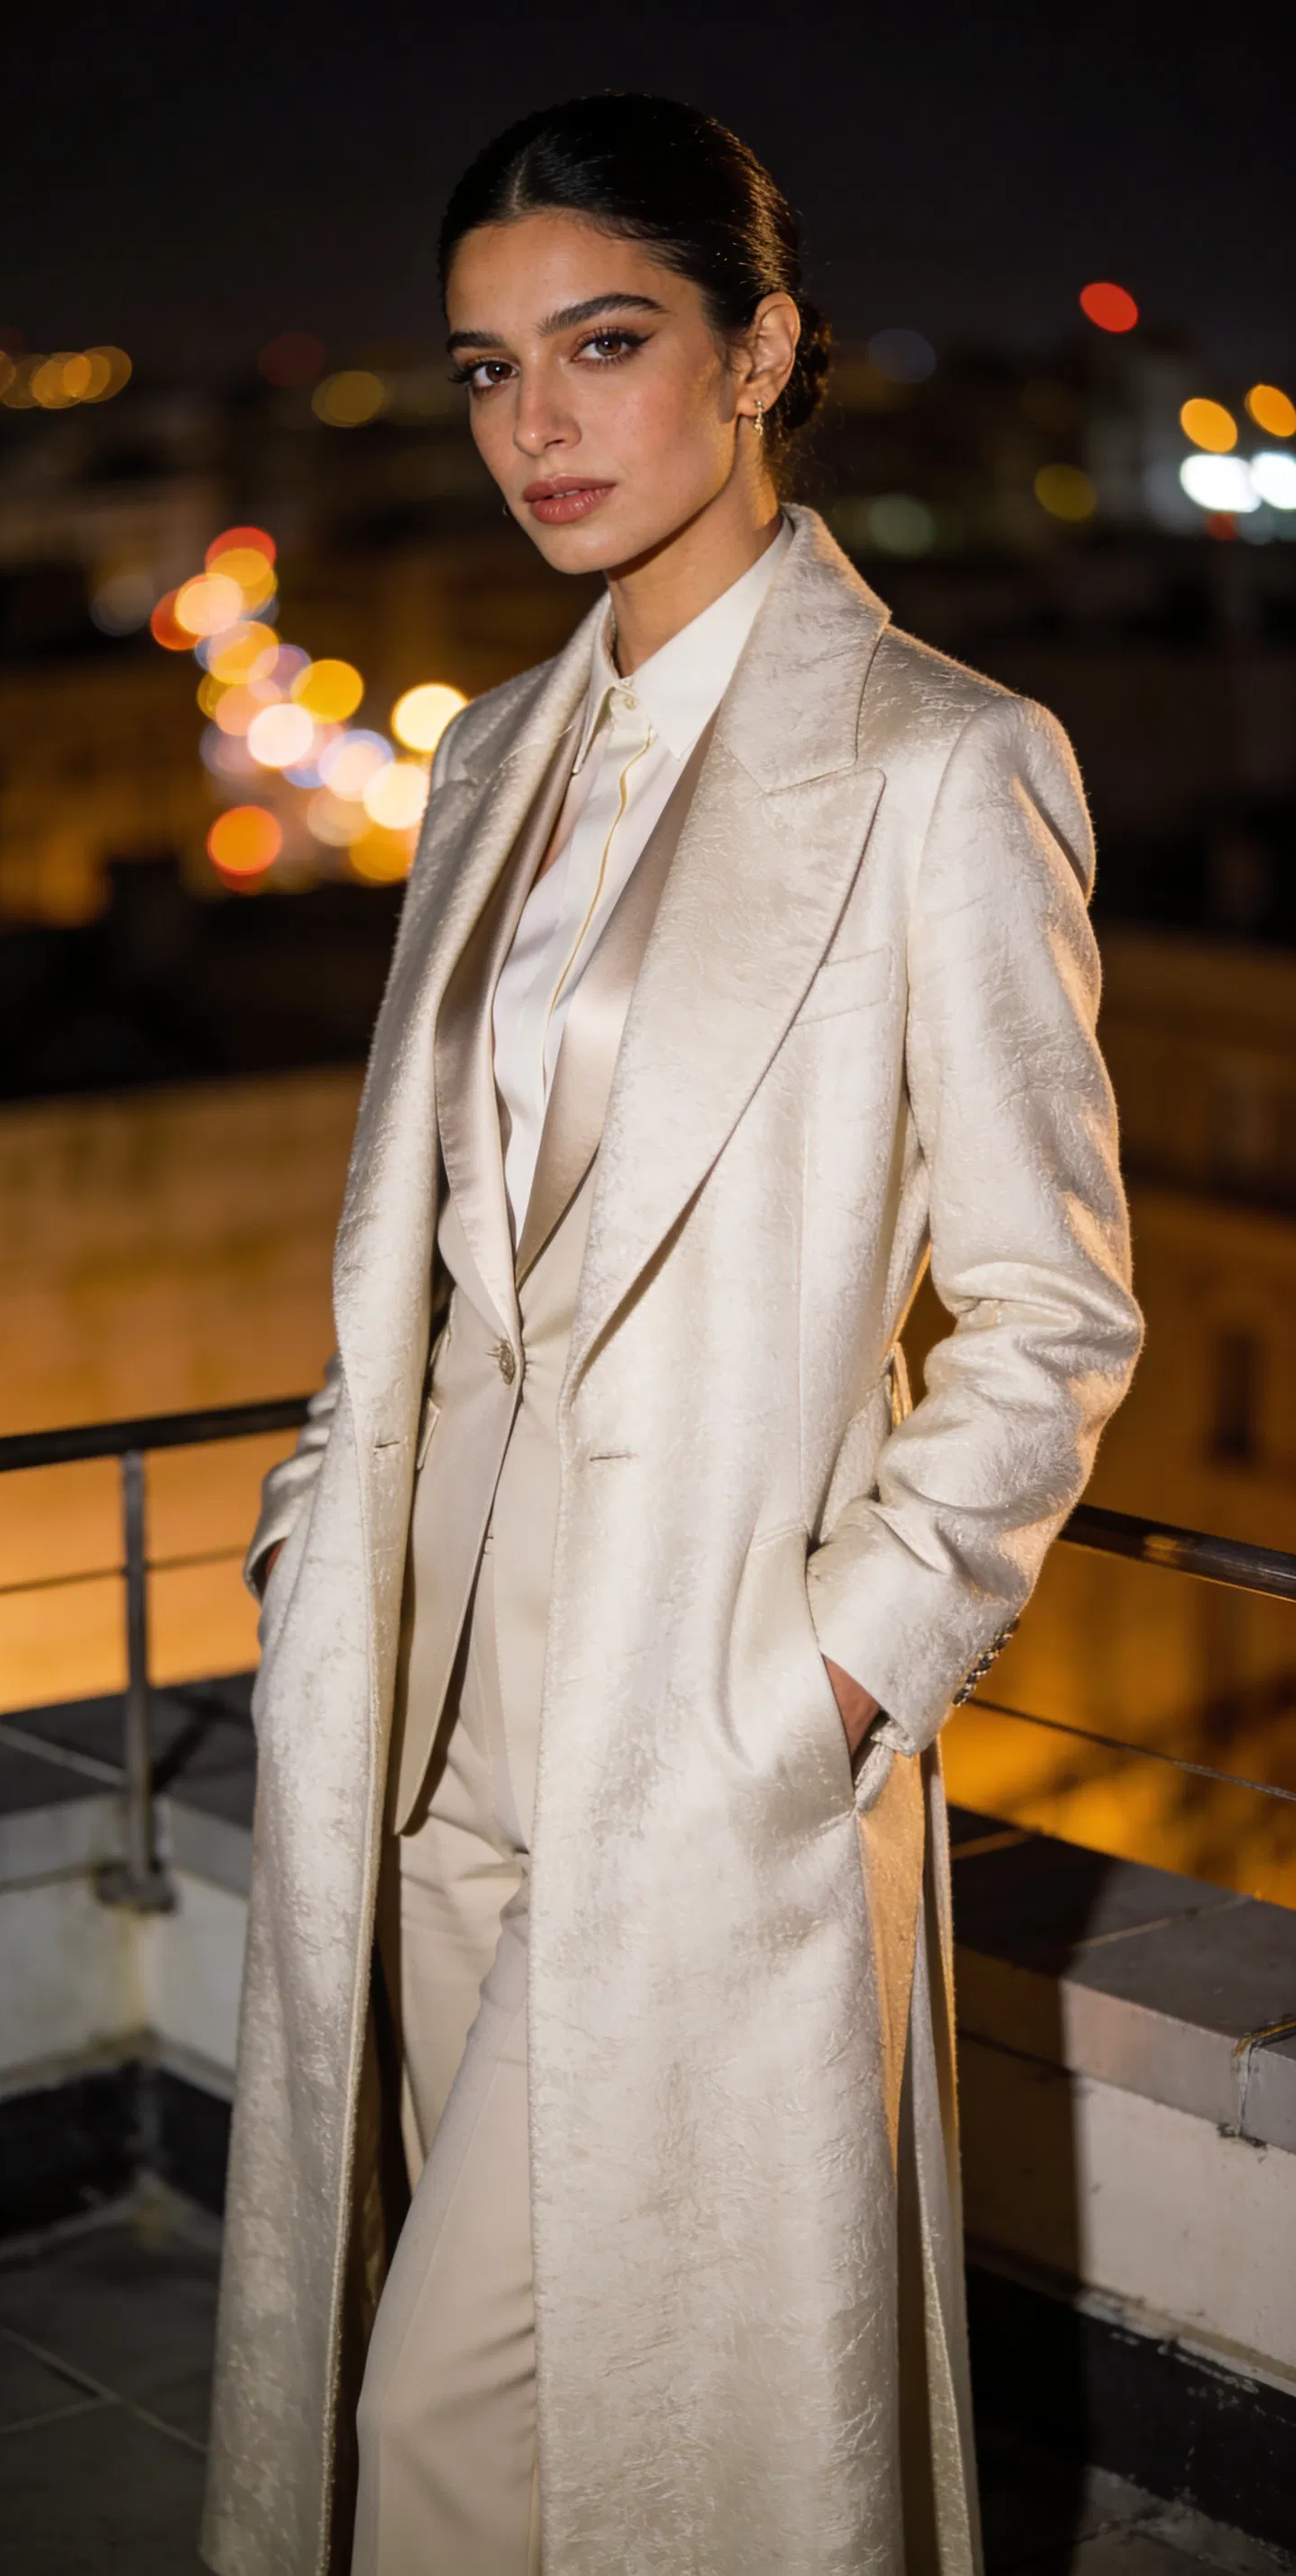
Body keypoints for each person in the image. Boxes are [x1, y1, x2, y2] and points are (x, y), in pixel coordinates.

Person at [202, 92, 1142, 2576]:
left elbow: (1052, 1312)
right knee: (551, 2449)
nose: (536, 425)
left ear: (762, 350)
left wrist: (834, 1680)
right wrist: (322, 1545)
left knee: (432, 2423)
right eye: (487, 368)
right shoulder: (492, 754)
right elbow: (420, 1252)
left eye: (601, 346)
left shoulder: (949, 767)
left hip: (704, 1714)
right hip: (427, 1707)